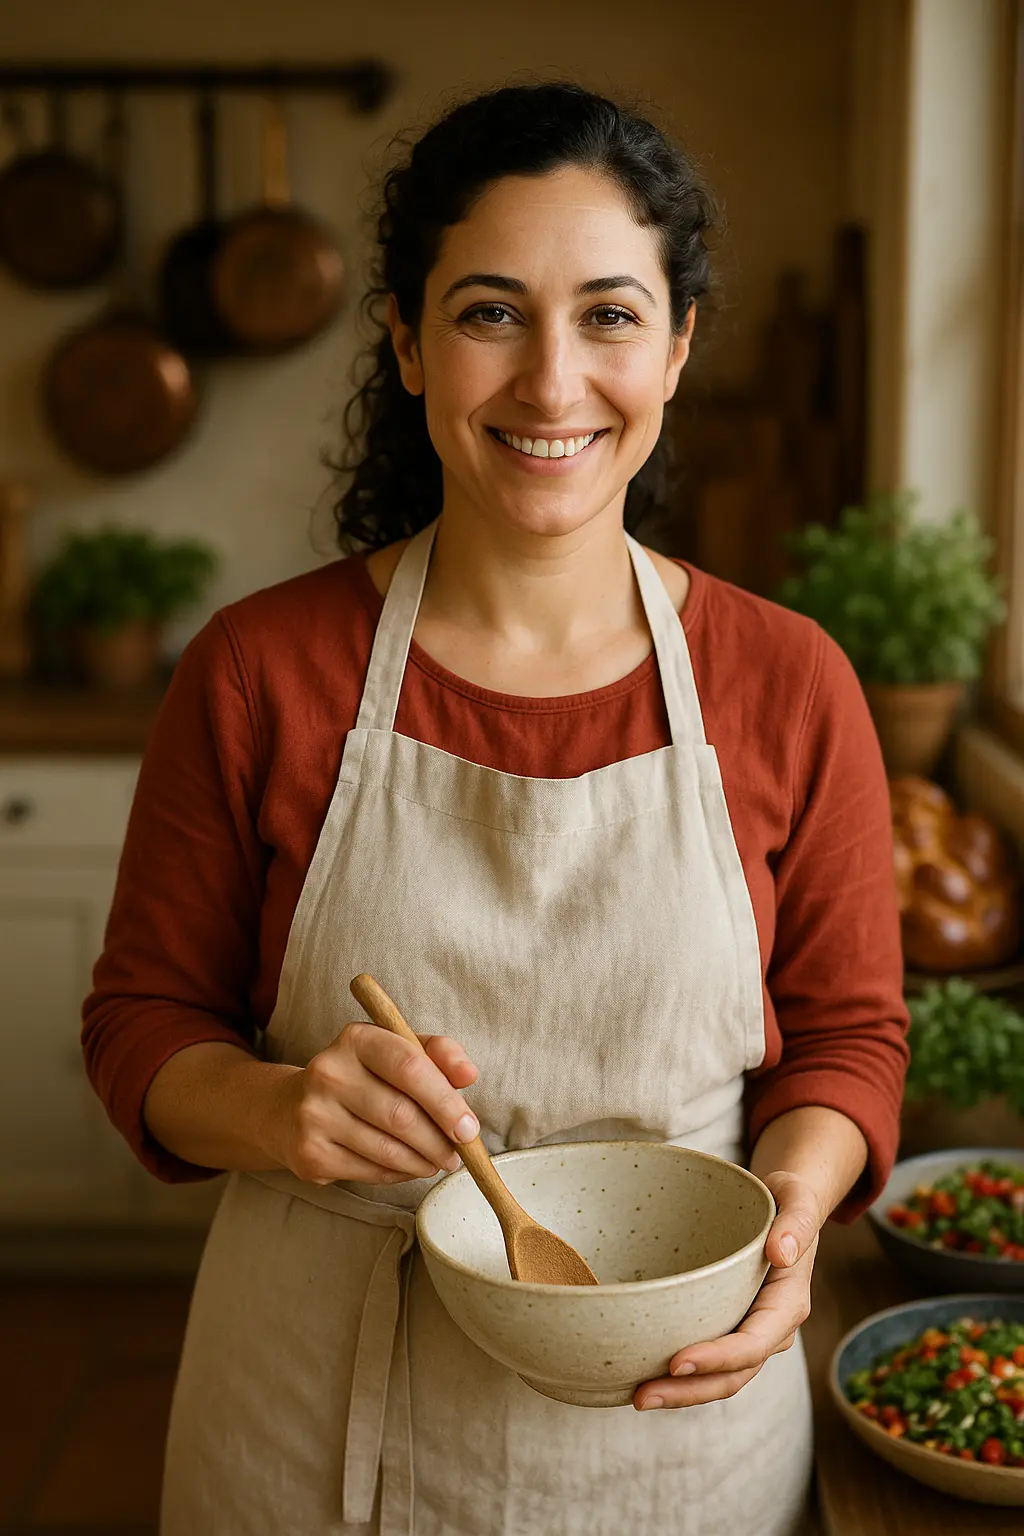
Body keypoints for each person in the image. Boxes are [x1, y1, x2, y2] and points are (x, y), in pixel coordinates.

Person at [82, 81, 909, 1536]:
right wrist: (282, 1110)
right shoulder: (261, 671)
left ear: (677, 345)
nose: (549, 383)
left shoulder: (790, 681)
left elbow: (847, 1039)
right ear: (405, 341)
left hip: (682, 1424)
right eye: (488, 314)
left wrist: (786, 1223)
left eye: (607, 314)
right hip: (312, 1414)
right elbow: (144, 1027)